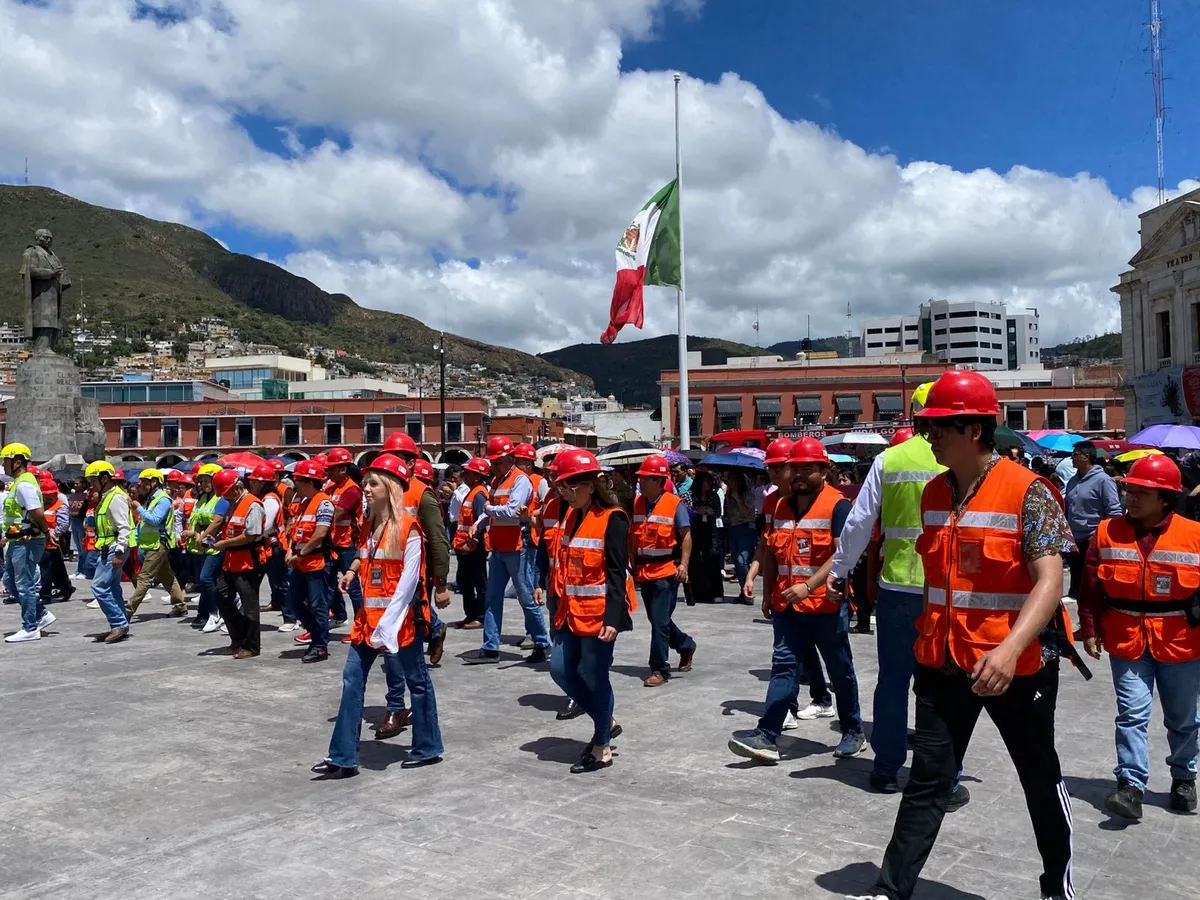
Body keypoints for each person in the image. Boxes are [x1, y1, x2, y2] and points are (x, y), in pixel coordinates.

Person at [847, 369, 1075, 900]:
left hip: (1015, 668)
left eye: (938, 428)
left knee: (1039, 777)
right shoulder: (931, 494)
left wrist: (1010, 648)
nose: (929, 438)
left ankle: (1057, 888)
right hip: (944, 662)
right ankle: (892, 888)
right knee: (928, 780)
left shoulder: (1030, 492)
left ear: (974, 430)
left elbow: (1051, 579)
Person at [826, 388, 970, 804]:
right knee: (944, 687)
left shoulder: (891, 460)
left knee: (892, 683)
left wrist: (840, 571)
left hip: (897, 590)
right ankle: (946, 776)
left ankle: (886, 769)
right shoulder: (963, 459)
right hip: (946, 591)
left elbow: (858, 523)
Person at [1079, 454, 1200, 819]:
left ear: (1165, 498)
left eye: (1142, 492)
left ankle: (1183, 778)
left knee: (1183, 718)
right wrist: (1089, 628)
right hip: (1126, 636)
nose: (1131, 496)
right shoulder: (1106, 531)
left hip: (1181, 641)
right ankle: (1131, 785)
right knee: (1131, 714)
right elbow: (1089, 588)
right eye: (1130, 489)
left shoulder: (1194, 535)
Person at [729, 438, 864, 763]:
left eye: (807, 468)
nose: (799, 475)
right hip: (787, 606)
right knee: (784, 667)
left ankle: (852, 730)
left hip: (825, 607)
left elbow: (842, 556)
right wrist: (764, 587)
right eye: (795, 468)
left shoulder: (837, 505)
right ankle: (767, 734)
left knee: (840, 669)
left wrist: (810, 586)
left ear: (823, 469)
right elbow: (773, 551)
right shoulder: (780, 506)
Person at [312, 454, 443, 779]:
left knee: (418, 682)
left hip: (400, 625)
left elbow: (408, 584)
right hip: (367, 623)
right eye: (365, 483)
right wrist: (353, 572)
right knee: (351, 680)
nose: (365, 489)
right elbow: (367, 558)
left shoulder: (410, 530)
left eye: (372, 484)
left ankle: (427, 747)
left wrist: (387, 627)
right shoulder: (371, 526)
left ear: (390, 487)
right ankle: (342, 756)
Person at [549, 449, 636, 773]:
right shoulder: (570, 516)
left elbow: (617, 571)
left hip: (600, 615)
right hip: (570, 611)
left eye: (571, 486)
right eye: (561, 487)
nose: (565, 492)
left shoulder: (612, 518)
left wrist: (613, 618)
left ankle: (602, 745)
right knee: (560, 669)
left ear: (591, 484)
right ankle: (606, 720)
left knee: (595, 677)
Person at [743, 437, 832, 728]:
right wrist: (754, 575)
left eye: (779, 467)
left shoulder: (823, 501)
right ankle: (792, 708)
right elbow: (766, 545)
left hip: (815, 592)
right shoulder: (772, 502)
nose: (774, 474)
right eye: (770, 468)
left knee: (813, 652)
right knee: (789, 655)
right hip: (785, 590)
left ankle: (820, 700)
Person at [462, 436, 550, 665]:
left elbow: (512, 511)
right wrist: (479, 523)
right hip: (500, 547)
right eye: (493, 463)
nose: (495, 466)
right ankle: (490, 648)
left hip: (517, 546)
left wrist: (488, 509)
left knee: (527, 598)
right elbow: (493, 510)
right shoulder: (496, 481)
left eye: (498, 462)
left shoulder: (520, 480)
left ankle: (542, 643)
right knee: (492, 598)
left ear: (510, 459)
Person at [631, 454, 696, 687]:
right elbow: (633, 536)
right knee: (658, 619)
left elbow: (685, 535)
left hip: (666, 572)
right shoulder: (638, 503)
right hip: (644, 572)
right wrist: (632, 562)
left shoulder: (673, 503)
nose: (640, 481)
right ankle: (686, 645)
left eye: (645, 478)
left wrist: (684, 565)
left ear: (658, 481)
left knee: (659, 622)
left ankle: (659, 668)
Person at [210, 469, 268, 659]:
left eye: (226, 493)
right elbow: (231, 530)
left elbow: (251, 535)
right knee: (221, 595)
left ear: (237, 488)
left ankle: (251, 647)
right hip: (231, 561)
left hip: (248, 562)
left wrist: (224, 544)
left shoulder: (253, 505)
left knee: (250, 606)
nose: (224, 497)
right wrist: (216, 537)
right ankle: (238, 638)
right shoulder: (233, 504)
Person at [286, 460, 336, 664]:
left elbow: (320, 534)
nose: (294, 483)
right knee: (294, 602)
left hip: (316, 561)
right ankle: (316, 634)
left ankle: (320, 645)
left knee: (318, 605)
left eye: (297, 480)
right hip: (301, 561)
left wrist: (301, 554)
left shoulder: (323, 503)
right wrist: (290, 549)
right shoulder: (304, 502)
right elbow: (294, 529)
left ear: (308, 482)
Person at [1, 442, 52, 643]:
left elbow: (36, 512)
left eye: (6, 461)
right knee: (10, 580)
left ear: (17, 462)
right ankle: (40, 614)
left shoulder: (24, 484)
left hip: (28, 540)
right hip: (18, 540)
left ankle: (30, 627)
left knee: (24, 584)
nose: (4, 465)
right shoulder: (19, 482)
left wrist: (47, 531)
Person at [1064, 440, 1122, 599]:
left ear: (1086, 456)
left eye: (1075, 455)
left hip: (1093, 540)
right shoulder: (1072, 481)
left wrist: (1108, 539)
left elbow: (1114, 510)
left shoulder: (1103, 480)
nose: (1072, 458)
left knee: (1093, 588)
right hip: (1074, 542)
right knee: (1079, 587)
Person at [126, 468, 188, 618]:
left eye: (145, 483)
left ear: (155, 483)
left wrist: (138, 508)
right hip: (150, 543)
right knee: (167, 576)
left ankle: (127, 610)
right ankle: (180, 606)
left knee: (145, 577)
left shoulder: (163, 500)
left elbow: (154, 520)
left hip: (159, 543)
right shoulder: (151, 498)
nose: (141, 486)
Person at [86, 461, 132, 644]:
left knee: (99, 586)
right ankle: (121, 624)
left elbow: (124, 528)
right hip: (107, 547)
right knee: (112, 588)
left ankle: (118, 623)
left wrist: (119, 552)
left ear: (105, 478)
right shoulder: (107, 496)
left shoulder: (116, 497)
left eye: (93, 481)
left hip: (114, 547)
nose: (92, 485)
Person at [183, 464, 225, 633]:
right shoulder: (201, 498)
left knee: (206, 578)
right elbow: (198, 520)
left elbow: (217, 522)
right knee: (206, 581)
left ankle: (216, 613)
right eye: (201, 481)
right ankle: (206, 613)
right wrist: (195, 533)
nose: (203, 484)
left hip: (216, 545)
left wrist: (200, 534)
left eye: (207, 481)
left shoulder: (221, 499)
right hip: (201, 546)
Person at [323, 447, 363, 626]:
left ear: (343, 469)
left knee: (352, 587)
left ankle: (360, 624)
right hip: (333, 543)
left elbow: (335, 513)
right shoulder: (331, 487)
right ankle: (331, 619)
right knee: (329, 584)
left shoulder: (352, 490)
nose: (328, 471)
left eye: (332, 468)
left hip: (347, 545)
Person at [246, 464, 289, 622]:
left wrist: (248, 537)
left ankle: (289, 619)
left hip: (273, 546)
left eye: (255, 482)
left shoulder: (270, 500)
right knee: (263, 582)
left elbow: (265, 527)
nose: (252, 484)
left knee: (280, 583)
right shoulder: (264, 498)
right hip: (265, 546)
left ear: (263, 483)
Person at [451, 457, 490, 629]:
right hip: (464, 547)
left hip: (474, 548)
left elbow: (482, 522)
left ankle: (480, 617)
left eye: (468, 472)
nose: (463, 475)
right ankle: (471, 614)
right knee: (464, 582)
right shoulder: (472, 491)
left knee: (479, 583)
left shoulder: (479, 494)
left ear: (477, 476)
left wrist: (472, 543)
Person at [37, 474, 73, 605]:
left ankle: (45, 595)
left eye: (49, 495)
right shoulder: (41, 505)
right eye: (44, 495)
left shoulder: (60, 506)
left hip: (52, 543)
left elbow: (63, 525)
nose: (46, 498)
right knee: (58, 570)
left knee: (46, 570)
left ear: (55, 493)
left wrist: (52, 534)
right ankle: (67, 589)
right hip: (41, 542)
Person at [723, 470, 757, 604]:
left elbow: (748, 513)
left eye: (732, 480)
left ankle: (747, 591)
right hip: (732, 528)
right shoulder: (728, 494)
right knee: (737, 562)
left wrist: (737, 498)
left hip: (745, 528)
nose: (730, 483)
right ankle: (743, 591)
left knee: (741, 559)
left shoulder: (747, 494)